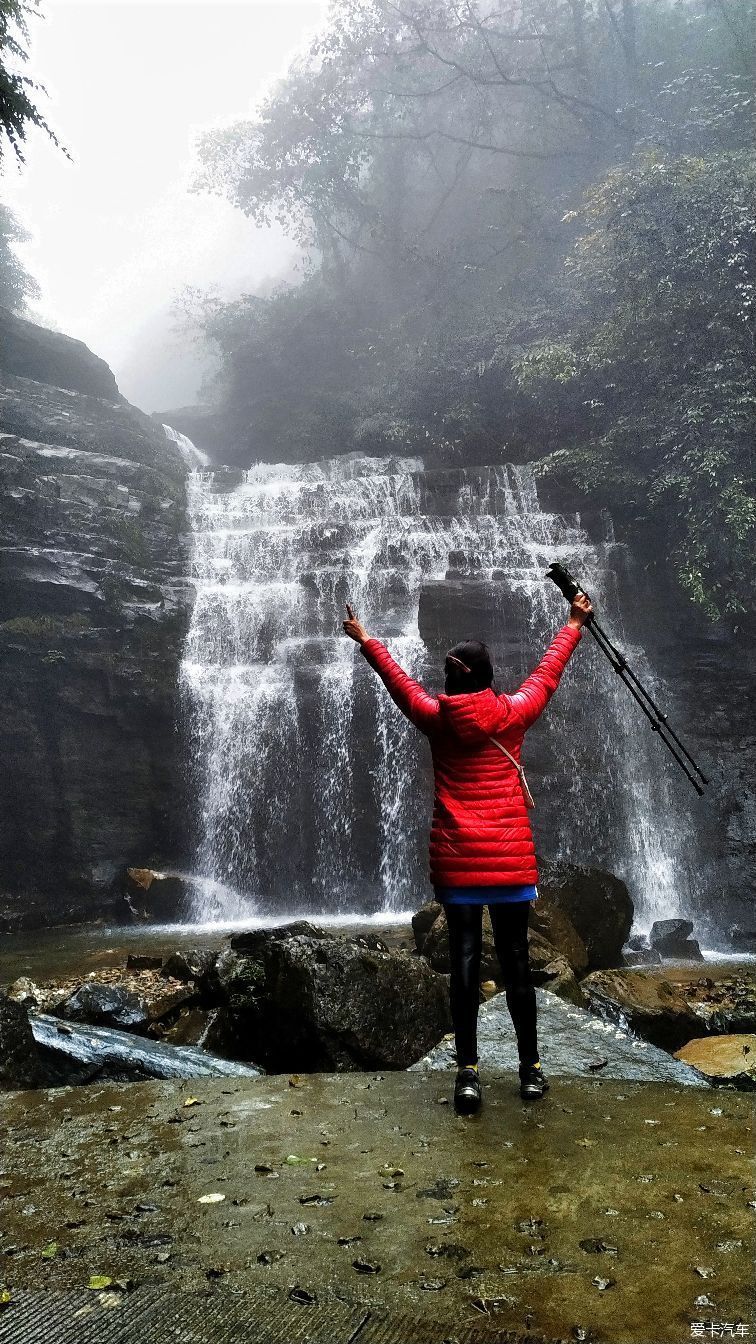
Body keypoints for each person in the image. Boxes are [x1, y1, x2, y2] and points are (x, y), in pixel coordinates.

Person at [342, 591, 593, 1110]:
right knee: (518, 964)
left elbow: (401, 685)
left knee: (463, 965)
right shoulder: (514, 714)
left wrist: (368, 641)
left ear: (452, 679)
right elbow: (547, 673)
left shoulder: (436, 718)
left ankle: (468, 1075)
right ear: (488, 677)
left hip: (457, 863)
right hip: (509, 863)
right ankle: (530, 1071)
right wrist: (573, 622)